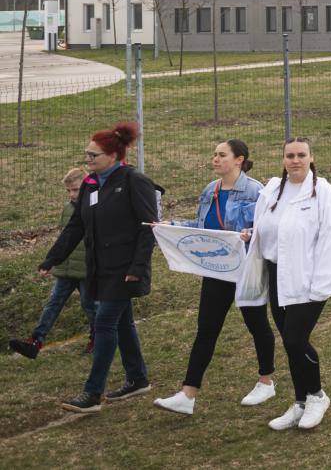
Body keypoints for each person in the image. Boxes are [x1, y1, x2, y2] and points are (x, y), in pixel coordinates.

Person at [39, 122, 159, 414]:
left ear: (114, 156)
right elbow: (76, 226)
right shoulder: (91, 184)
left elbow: (149, 228)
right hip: (99, 268)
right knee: (121, 322)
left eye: (94, 155)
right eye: (87, 155)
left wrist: (137, 267)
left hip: (125, 268)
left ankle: (92, 393)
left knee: (105, 322)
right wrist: (52, 258)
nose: (88, 160)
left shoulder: (133, 181)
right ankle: (138, 378)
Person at [153, 140, 277, 416]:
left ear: (239, 159)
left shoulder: (255, 191)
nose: (215, 159)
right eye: (214, 155)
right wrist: (168, 226)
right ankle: (188, 394)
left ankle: (266, 381)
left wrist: (250, 234)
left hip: (247, 271)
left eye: (222, 155)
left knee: (256, 323)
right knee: (207, 329)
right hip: (217, 271)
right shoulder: (210, 190)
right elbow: (199, 228)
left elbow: (268, 227)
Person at [245, 137, 331, 431]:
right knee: (290, 345)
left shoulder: (324, 194)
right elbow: (267, 228)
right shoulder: (273, 190)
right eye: (290, 155)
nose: (295, 160)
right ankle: (300, 401)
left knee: (294, 339)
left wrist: (322, 284)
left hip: (309, 280)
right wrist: (251, 236)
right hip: (278, 277)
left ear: (311, 157)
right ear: (283, 159)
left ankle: (317, 396)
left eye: (301, 155)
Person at [9, 169, 95, 360]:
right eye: (68, 191)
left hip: (85, 269)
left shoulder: (93, 207)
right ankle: (35, 341)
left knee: (89, 305)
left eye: (75, 189)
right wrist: (53, 261)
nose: (72, 194)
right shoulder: (67, 209)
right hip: (64, 268)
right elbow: (65, 237)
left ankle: (97, 337)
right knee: (53, 304)